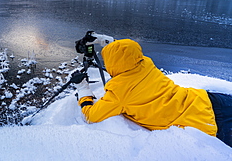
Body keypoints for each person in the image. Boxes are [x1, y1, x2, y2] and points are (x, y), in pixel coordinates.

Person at [73, 38, 232, 147]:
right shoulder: (146, 64)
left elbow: (91, 115)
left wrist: (83, 89)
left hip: (205, 122)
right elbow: (126, 55)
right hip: (207, 99)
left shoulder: (119, 93)